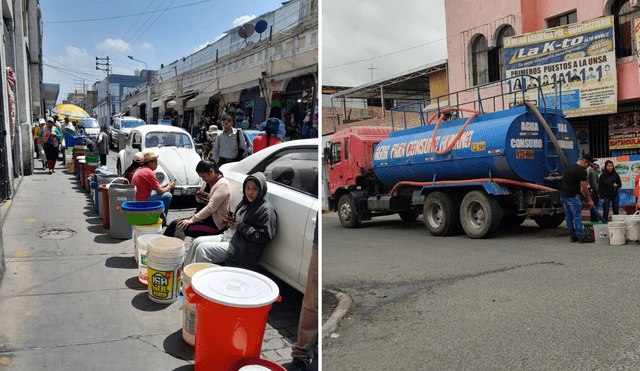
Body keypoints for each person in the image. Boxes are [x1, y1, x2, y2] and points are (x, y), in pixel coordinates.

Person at [184, 172, 276, 271]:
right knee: (197, 242)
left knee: (203, 249)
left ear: (261, 190)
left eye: (255, 189)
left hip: (240, 245)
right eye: (247, 188)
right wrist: (232, 222)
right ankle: (186, 276)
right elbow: (240, 221)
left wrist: (240, 226)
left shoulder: (266, 210)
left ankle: (201, 281)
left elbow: (265, 236)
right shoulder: (245, 203)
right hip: (229, 236)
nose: (250, 192)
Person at [164, 161, 231, 239]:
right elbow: (200, 201)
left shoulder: (222, 185)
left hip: (214, 225)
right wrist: (199, 197)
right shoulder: (207, 182)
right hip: (203, 219)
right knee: (174, 224)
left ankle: (177, 250)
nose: (203, 179)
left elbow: (210, 208)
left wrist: (191, 220)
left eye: (204, 176)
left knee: (179, 227)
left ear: (211, 172)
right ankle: (162, 247)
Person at [288, 216, 318, 371]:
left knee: (314, 301)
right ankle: (301, 355)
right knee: (313, 302)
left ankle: (311, 352)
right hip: (319, 245)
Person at [132, 151, 175, 222]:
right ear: (150, 162)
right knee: (168, 196)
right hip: (143, 201)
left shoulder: (141, 170)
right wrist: (169, 187)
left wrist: (165, 186)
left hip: (137, 198)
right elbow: (160, 191)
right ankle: (163, 218)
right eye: (155, 161)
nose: (157, 164)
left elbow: (155, 187)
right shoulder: (149, 172)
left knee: (157, 193)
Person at [560, 154, 594, 243]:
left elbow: (571, 181)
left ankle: (573, 236)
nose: (587, 168)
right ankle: (582, 237)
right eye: (588, 165)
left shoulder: (569, 167)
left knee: (568, 217)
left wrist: (579, 188)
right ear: (585, 162)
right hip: (572, 196)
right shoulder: (580, 170)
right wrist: (589, 200)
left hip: (564, 195)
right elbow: (585, 187)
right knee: (577, 216)